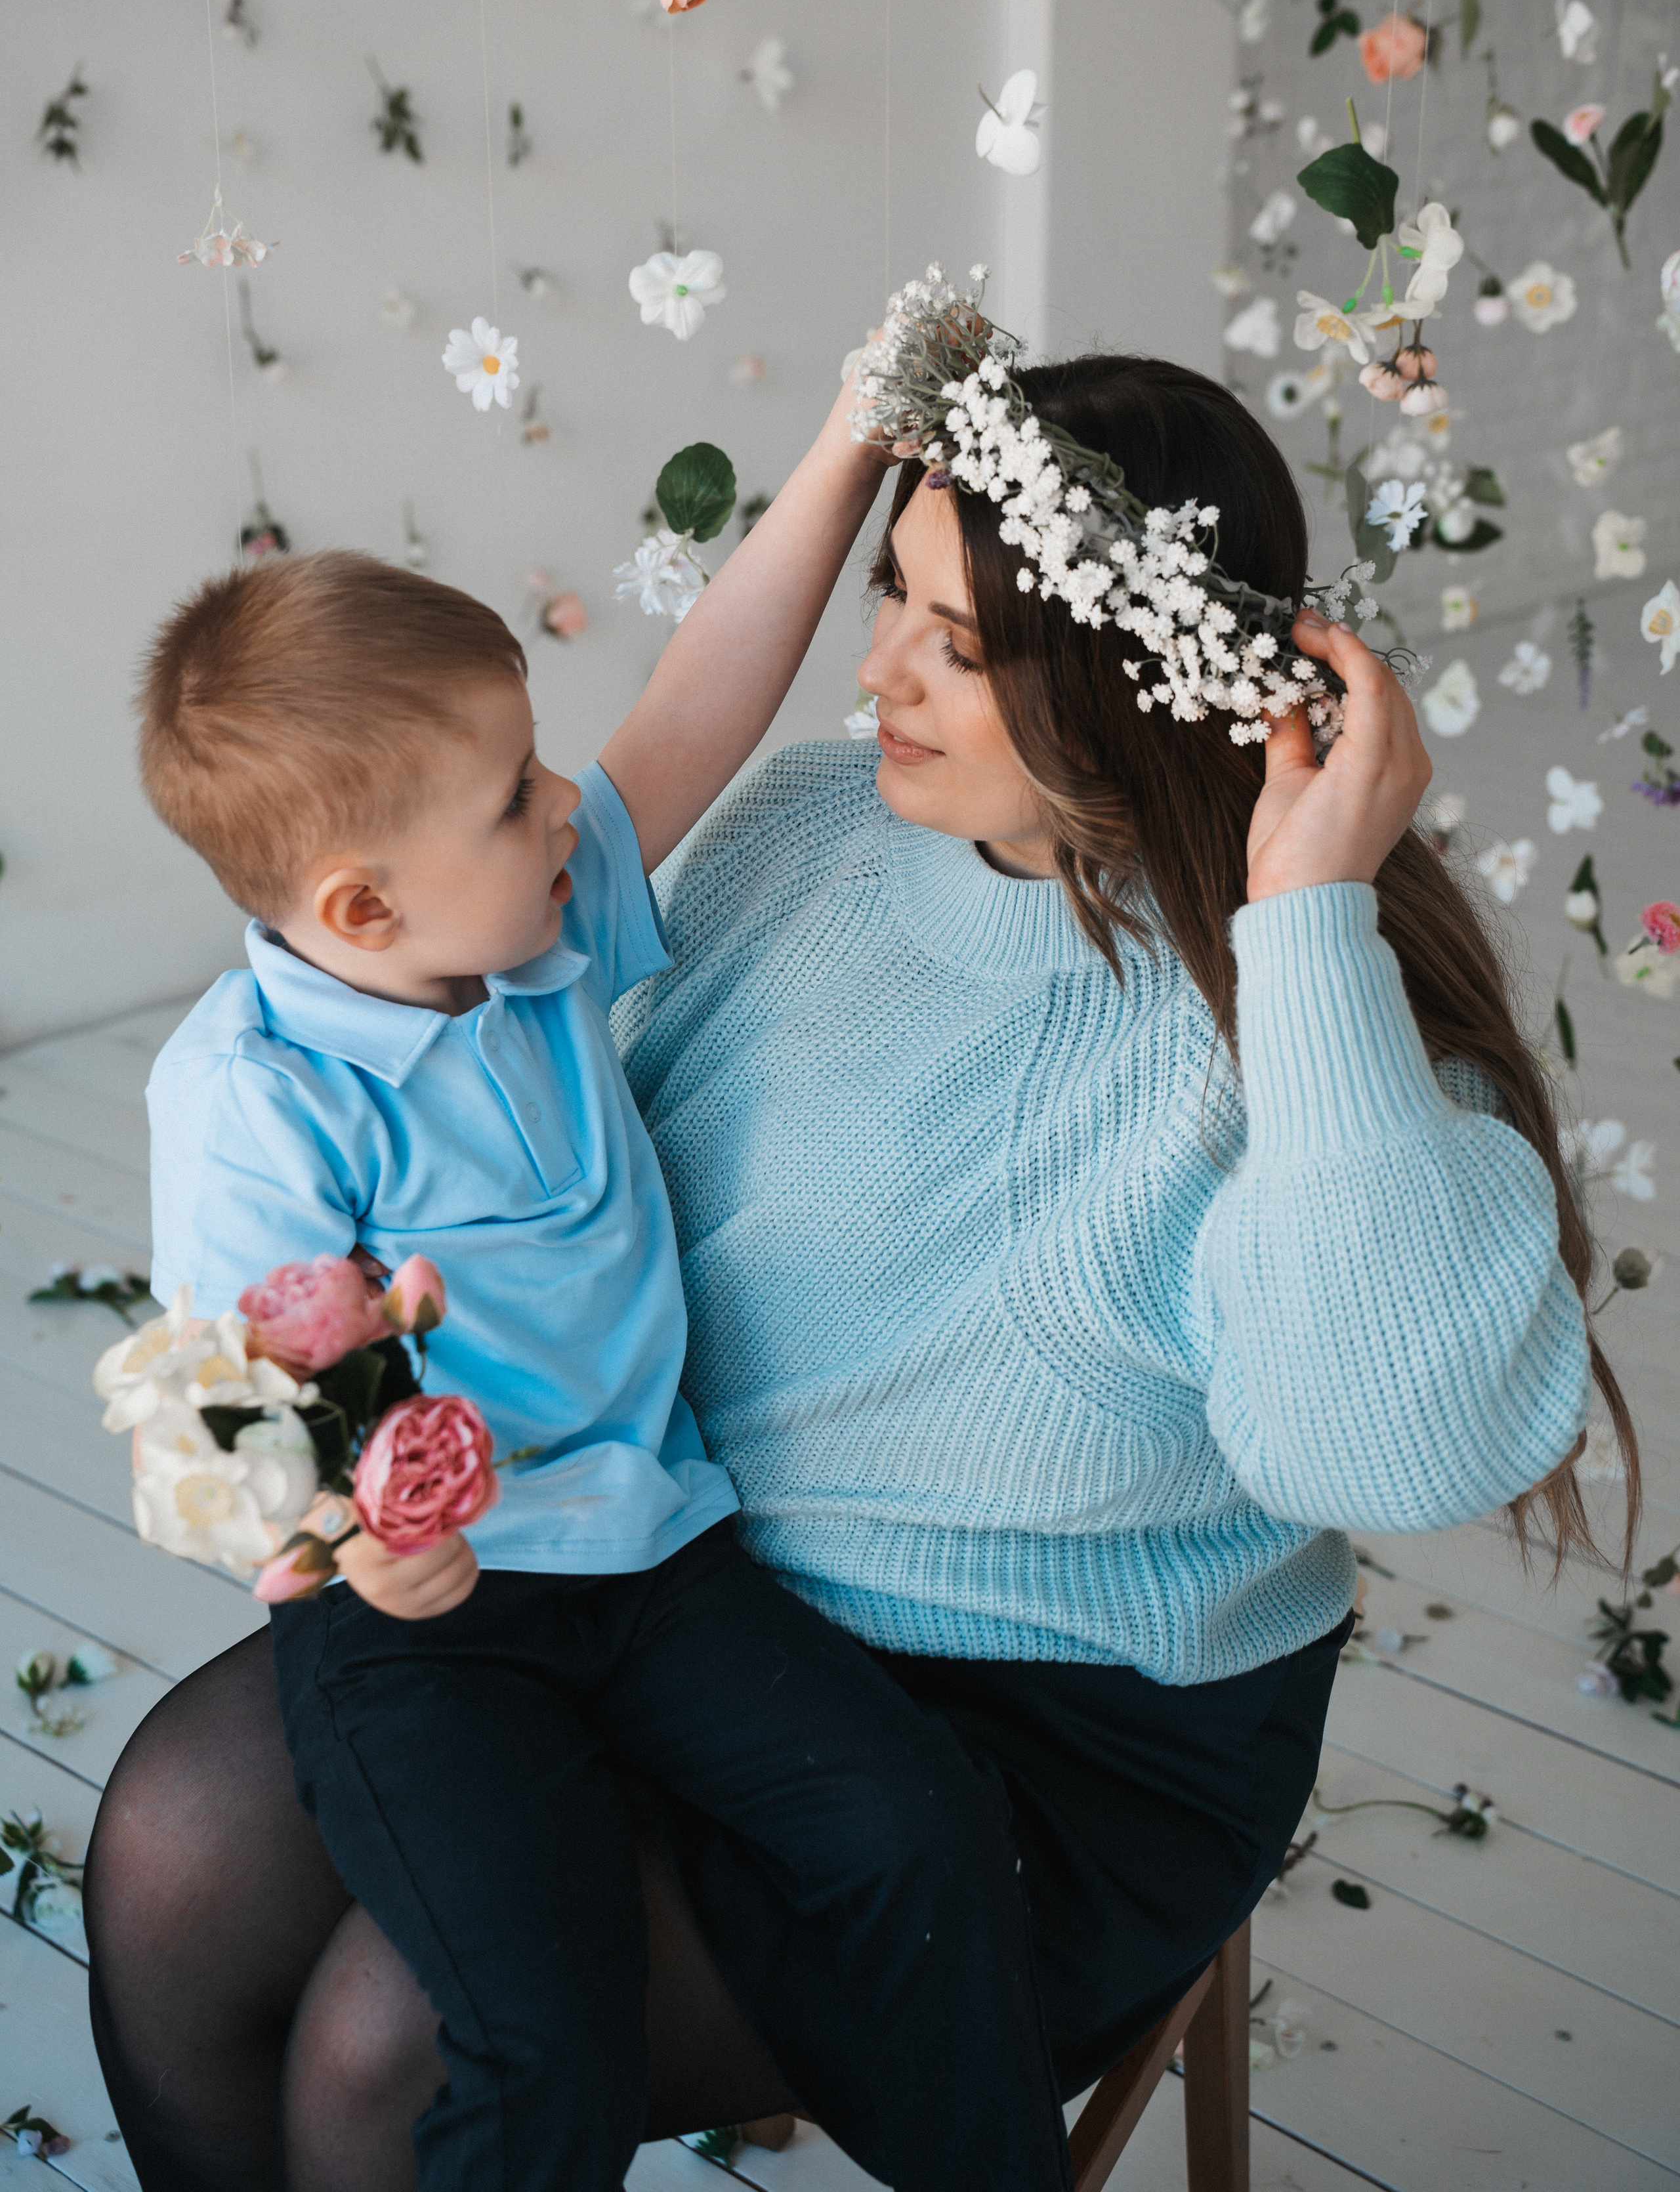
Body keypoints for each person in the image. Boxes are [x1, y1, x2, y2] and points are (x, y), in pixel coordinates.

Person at [87, 329, 1633, 2192]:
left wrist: (1308, 921)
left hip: (1040, 1737)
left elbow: (1403, 1453)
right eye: (891, 596)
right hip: (660, 1571)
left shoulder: (1292, 1008)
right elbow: (527, 1187)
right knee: (174, 1853)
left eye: (957, 644)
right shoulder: (820, 826)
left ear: (1128, 681)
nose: (879, 670)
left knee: (384, 2044)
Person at [110, 379, 1076, 2192]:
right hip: (429, 1633)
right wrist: (357, 1526)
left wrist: (856, 440)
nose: (571, 800)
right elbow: (240, 1391)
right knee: (536, 2017)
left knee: (912, 1821)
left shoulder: (530, 940)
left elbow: (706, 690)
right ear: (363, 910)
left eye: (539, 765)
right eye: (516, 794)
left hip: (658, 1548)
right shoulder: (249, 1093)